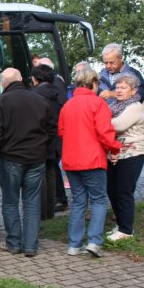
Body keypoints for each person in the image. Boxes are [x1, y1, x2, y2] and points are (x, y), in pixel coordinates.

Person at [0, 68, 53, 257]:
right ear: (21, 79)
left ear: (3, 83)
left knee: (10, 201)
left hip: (11, 158)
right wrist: (42, 148)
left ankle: (14, 242)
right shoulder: (40, 100)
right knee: (32, 202)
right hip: (36, 157)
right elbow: (51, 128)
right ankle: (31, 245)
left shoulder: (0, 102)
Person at [58, 68, 122, 258]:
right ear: (94, 83)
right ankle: (94, 242)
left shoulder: (67, 106)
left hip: (71, 160)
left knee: (78, 202)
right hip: (93, 159)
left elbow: (61, 132)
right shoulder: (98, 103)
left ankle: (74, 244)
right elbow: (105, 132)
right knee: (98, 200)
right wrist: (116, 148)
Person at [106, 75, 144, 241]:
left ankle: (126, 230)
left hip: (132, 153)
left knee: (124, 191)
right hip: (115, 154)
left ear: (133, 90)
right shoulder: (116, 105)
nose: (119, 90)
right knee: (112, 190)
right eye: (117, 87)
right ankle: (120, 224)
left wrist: (101, 122)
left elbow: (117, 125)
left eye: (123, 88)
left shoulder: (135, 106)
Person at [30, 65, 62, 221]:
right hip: (55, 138)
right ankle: (50, 211)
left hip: (40, 139)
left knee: (40, 176)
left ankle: (42, 213)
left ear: (35, 79)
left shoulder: (34, 95)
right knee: (51, 173)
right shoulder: (58, 92)